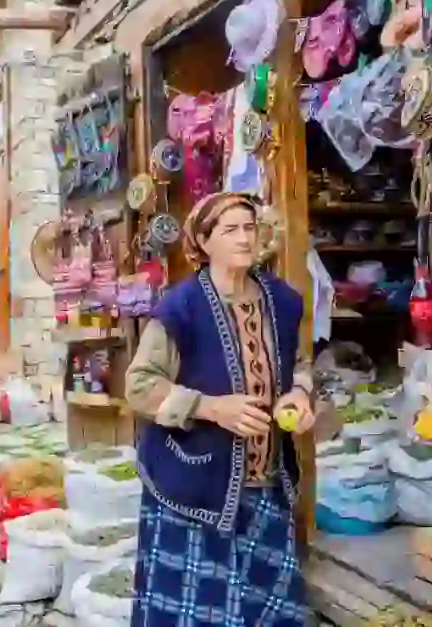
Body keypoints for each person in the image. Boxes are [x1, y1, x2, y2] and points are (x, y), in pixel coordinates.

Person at [125, 192, 329, 626]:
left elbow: (300, 364)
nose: (243, 238)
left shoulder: (283, 301)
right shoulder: (181, 309)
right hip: (193, 486)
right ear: (204, 240)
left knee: (269, 611)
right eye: (229, 229)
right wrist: (210, 407)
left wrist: (299, 393)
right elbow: (140, 386)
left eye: (249, 227)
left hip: (265, 486)